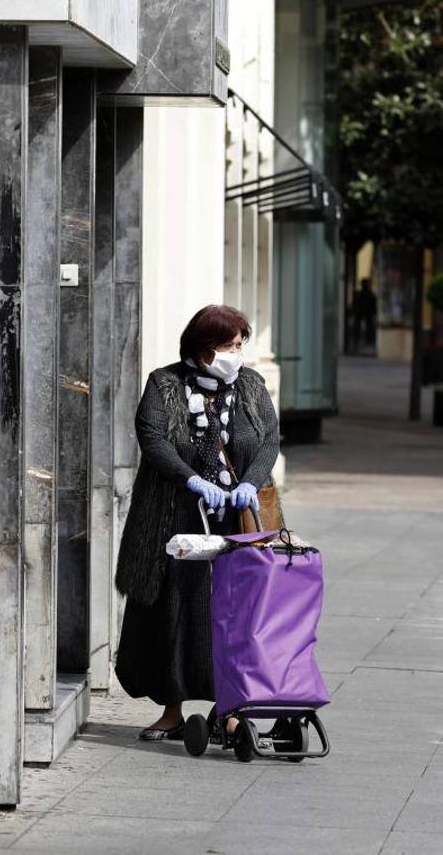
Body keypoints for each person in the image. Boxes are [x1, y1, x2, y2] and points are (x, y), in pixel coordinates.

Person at [114, 304, 280, 741]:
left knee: (235, 612)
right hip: (176, 515)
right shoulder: (164, 384)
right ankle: (172, 709)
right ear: (202, 347)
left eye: (240, 344)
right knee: (178, 608)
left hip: (236, 519)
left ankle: (231, 709)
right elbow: (152, 438)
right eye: (229, 344)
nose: (237, 352)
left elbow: (268, 440)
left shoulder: (250, 385)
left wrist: (251, 481)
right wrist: (190, 479)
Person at [351, 278, 377, 352]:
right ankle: (360, 341)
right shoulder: (363, 294)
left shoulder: (367, 294)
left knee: (367, 327)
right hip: (361, 313)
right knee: (361, 327)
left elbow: (373, 305)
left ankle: (363, 341)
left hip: (365, 314)